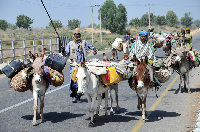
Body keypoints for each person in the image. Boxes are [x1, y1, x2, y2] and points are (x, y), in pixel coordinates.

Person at [64, 28, 97, 103]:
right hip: (74, 65)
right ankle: (73, 95)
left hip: (82, 65)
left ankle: (78, 96)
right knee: (73, 80)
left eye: (78, 34)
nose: (77, 36)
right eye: (76, 34)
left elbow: (90, 46)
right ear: (73, 35)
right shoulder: (70, 44)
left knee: (81, 80)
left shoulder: (84, 42)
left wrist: (94, 49)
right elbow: (66, 53)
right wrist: (64, 51)